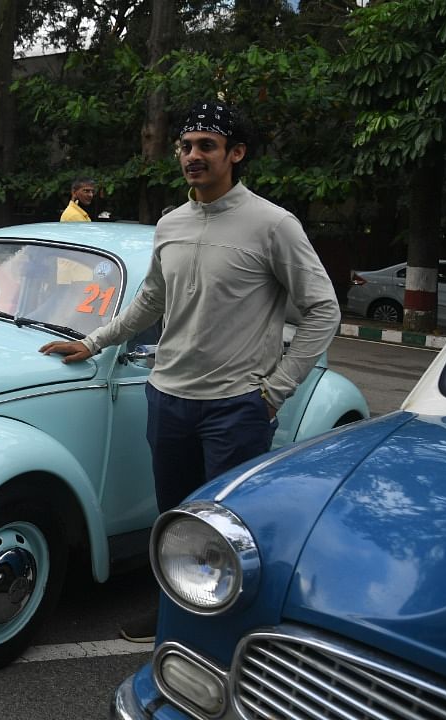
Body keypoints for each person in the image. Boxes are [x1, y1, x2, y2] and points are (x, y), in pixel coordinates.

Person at [40, 101, 339, 642]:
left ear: (236, 153)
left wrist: (275, 391)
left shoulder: (273, 224)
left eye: (207, 145)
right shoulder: (172, 223)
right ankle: (172, 613)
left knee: (230, 527)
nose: (192, 156)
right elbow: (151, 298)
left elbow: (324, 310)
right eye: (186, 146)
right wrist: (94, 340)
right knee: (175, 519)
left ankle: (230, 628)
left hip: (237, 406)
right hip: (167, 398)